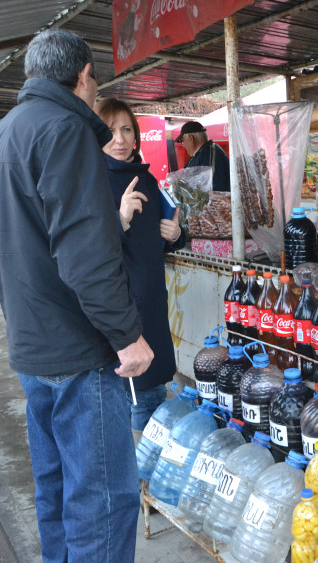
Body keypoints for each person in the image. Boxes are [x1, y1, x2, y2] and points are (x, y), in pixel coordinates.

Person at [0, 29, 153, 563]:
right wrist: (127, 336)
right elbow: (85, 249)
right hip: (78, 350)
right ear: (83, 75)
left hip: (32, 344)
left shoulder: (5, 131)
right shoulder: (66, 128)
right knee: (101, 503)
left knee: (57, 491)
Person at [95, 97, 186, 434]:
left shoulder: (147, 180)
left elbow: (158, 238)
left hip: (152, 301)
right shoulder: (90, 181)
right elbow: (85, 252)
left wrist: (176, 234)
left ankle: (145, 459)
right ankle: (136, 462)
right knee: (129, 399)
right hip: (117, 307)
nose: (119, 139)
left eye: (126, 130)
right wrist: (119, 219)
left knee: (154, 391)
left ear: (136, 135)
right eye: (110, 131)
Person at [177, 120, 230, 191]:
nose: (183, 145)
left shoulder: (210, 152)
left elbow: (214, 189)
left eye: (182, 141)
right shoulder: (202, 153)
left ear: (191, 138)